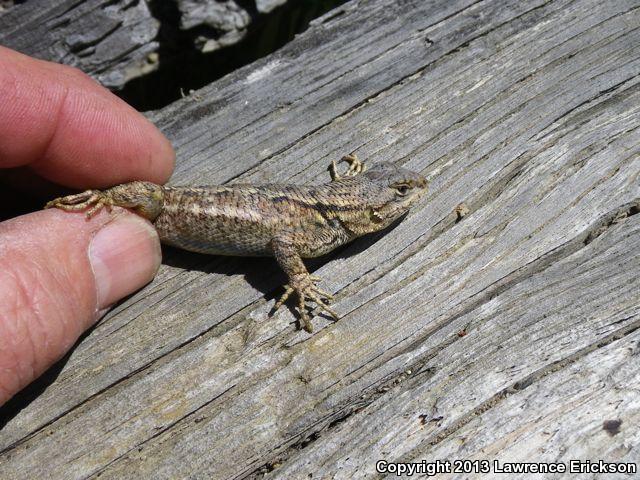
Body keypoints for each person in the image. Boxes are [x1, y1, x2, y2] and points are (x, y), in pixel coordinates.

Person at [0, 46, 176, 405]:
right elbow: (149, 193)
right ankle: (102, 198)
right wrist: (108, 199)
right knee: (151, 194)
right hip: (155, 208)